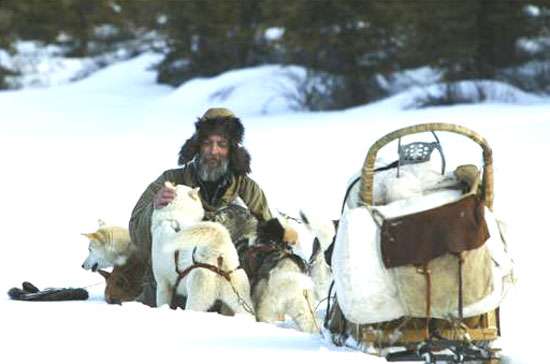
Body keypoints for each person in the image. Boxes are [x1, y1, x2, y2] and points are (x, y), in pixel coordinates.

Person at [128, 107, 274, 307]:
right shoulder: (170, 181)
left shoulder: (248, 190)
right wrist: (155, 209)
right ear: (197, 146)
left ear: (232, 150)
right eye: (207, 143)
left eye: (221, 144)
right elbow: (136, 234)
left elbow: (270, 238)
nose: (214, 151)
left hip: (229, 300)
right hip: (172, 298)